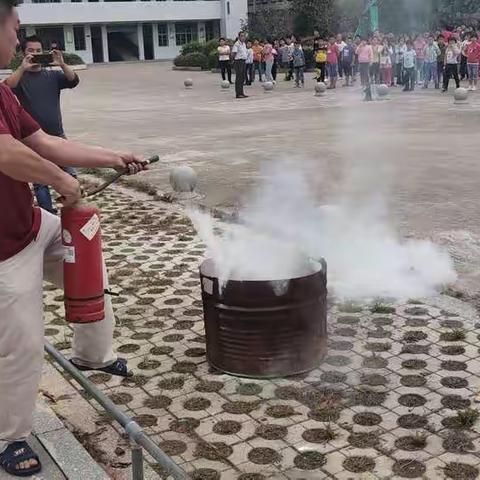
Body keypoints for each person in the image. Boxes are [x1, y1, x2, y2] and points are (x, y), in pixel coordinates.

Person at [0, 1, 146, 476]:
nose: (19, 41)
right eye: (14, 28)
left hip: (29, 222)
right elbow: (6, 153)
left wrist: (112, 157)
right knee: (20, 344)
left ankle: (94, 356)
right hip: (2, 252)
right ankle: (10, 438)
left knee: (89, 269)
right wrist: (64, 183)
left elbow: (43, 143)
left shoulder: (2, 95)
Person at [4, 35, 79, 215]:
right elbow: (6, 87)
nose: (35, 54)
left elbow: (73, 80)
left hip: (57, 135)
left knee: (70, 174)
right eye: (31, 51)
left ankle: (72, 209)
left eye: (39, 51)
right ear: (23, 53)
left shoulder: (52, 75)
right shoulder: (21, 77)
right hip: (33, 138)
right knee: (40, 182)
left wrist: (61, 63)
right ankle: (49, 214)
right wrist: (22, 68)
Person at [232, 31, 248, 98]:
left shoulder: (244, 44)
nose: (243, 37)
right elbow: (234, 53)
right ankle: (238, 93)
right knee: (239, 77)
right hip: (238, 61)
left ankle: (242, 92)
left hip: (243, 61)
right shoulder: (237, 44)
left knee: (242, 77)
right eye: (241, 36)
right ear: (239, 37)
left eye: (244, 36)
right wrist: (233, 61)